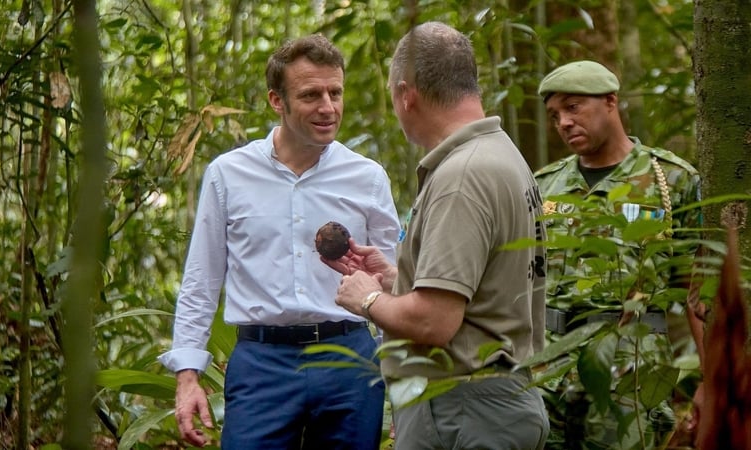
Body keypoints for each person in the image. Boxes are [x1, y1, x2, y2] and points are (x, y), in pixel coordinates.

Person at [158, 34, 401, 449]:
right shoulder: (228, 174)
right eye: (311, 95)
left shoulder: (367, 177)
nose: (328, 107)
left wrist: (401, 377)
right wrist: (187, 376)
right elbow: (201, 279)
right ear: (277, 101)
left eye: (335, 92)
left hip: (349, 355)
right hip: (262, 361)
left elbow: (394, 282)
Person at [325, 22, 549, 450]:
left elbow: (434, 321)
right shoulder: (502, 155)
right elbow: (479, 289)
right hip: (498, 402)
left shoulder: (461, 176)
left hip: (463, 411)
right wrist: (397, 280)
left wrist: (367, 299)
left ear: (407, 93)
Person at [533, 60, 704, 449]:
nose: (563, 122)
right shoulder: (545, 184)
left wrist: (709, 381)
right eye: (555, 114)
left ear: (610, 102)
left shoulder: (671, 180)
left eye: (573, 107)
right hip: (548, 365)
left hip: (631, 367)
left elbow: (695, 290)